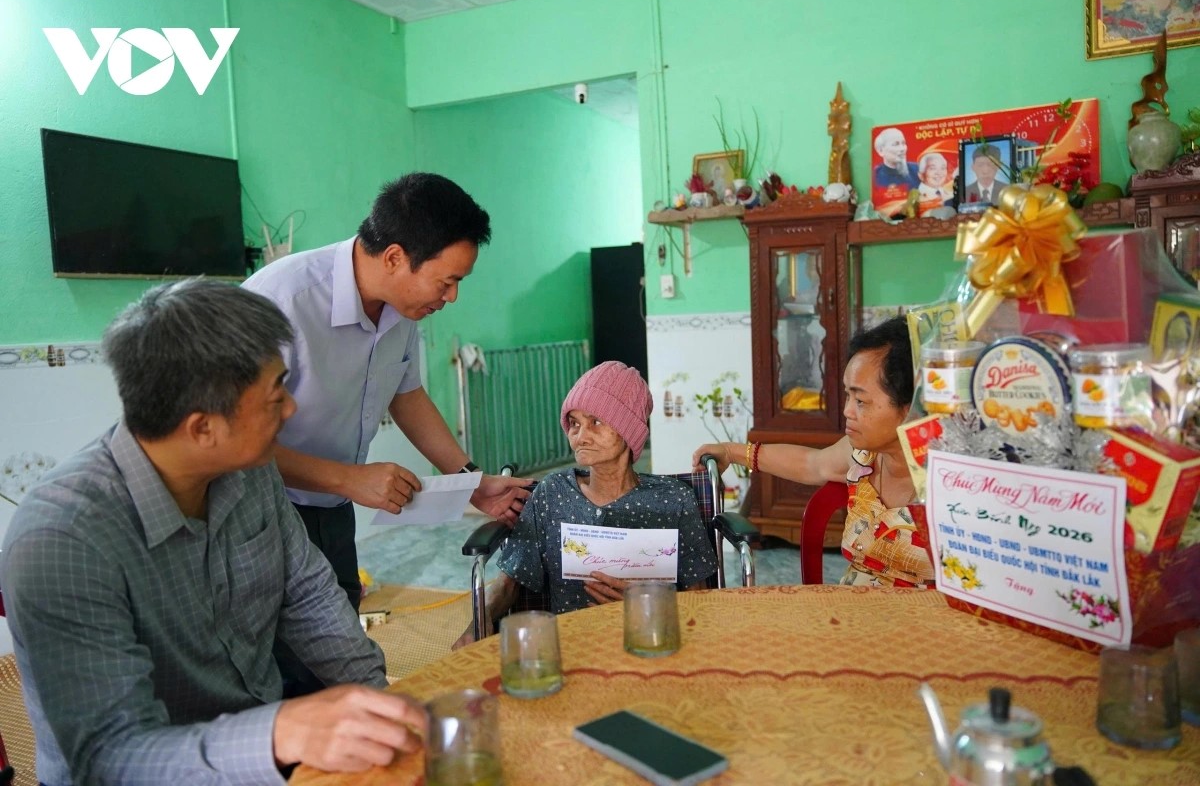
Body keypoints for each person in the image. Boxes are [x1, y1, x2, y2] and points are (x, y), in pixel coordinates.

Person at [0, 281, 427, 786]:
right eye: (276, 395)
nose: (290, 409)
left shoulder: (249, 469)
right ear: (202, 428)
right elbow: (111, 756)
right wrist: (278, 733)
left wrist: (377, 694)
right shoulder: (63, 540)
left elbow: (307, 593)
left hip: (257, 754)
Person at [243, 173, 532, 614]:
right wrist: (350, 479)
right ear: (395, 257)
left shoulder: (401, 310)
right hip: (258, 512)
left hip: (332, 509)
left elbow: (407, 395)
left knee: (336, 627)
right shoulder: (281, 301)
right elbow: (236, 441)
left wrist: (469, 480)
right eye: (446, 282)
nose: (452, 297)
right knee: (269, 642)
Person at [454, 362, 718, 647]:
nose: (580, 437)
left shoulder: (673, 500)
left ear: (629, 430)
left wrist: (648, 603)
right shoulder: (553, 493)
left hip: (651, 642)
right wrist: (479, 621)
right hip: (572, 646)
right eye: (575, 424)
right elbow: (508, 583)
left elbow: (699, 599)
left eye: (596, 422)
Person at [693, 316, 934, 588]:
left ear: (911, 408)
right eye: (848, 396)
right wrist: (730, 452)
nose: (847, 411)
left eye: (861, 401)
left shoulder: (951, 481)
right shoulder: (863, 456)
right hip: (853, 610)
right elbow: (811, 463)